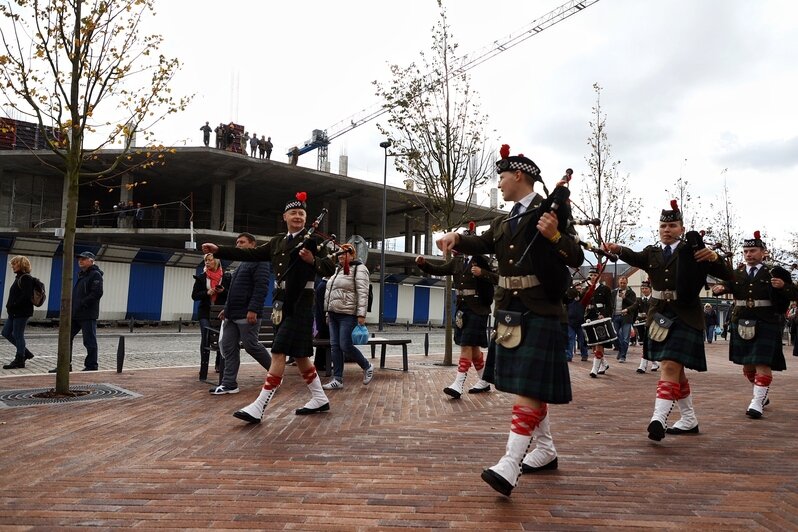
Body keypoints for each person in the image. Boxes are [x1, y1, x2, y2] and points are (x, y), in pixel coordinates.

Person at [436, 144, 583, 497]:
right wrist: (457, 239)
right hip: (509, 313)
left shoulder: (551, 211)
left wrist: (555, 236)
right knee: (529, 388)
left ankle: (510, 463)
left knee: (529, 388)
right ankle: (545, 450)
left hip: (540, 310)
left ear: (519, 175)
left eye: (502, 177)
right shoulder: (504, 220)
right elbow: (483, 241)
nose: (499, 183)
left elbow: (575, 255)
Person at [202, 192, 336, 422]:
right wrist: (219, 250)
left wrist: (311, 260)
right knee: (301, 356)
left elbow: (329, 268)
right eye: (293, 213)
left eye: (301, 213)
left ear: (306, 218)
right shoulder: (277, 242)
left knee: (278, 351)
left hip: (301, 302)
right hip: (280, 303)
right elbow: (251, 254)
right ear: (285, 216)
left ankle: (259, 405)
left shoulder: (314, 242)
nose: (297, 216)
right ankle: (319, 398)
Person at [604, 200, 731, 441]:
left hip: (685, 313)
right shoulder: (652, 252)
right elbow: (634, 256)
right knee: (676, 370)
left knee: (670, 366)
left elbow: (728, 275)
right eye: (663, 225)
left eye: (672, 225)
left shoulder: (694, 251)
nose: (667, 230)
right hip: (659, 315)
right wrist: (618, 248)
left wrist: (714, 257)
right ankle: (689, 418)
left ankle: (658, 419)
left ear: (681, 229)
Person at [711, 231, 796, 418]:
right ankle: (761, 393)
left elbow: (794, 294)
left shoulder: (774, 273)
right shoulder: (737, 273)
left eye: (753, 250)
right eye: (746, 251)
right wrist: (720, 288)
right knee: (748, 367)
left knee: (762, 363)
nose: (749, 254)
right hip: (741, 321)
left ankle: (756, 403)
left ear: (763, 252)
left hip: (766, 321)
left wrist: (783, 286)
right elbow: (726, 286)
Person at [416, 226, 496, 397]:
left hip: (478, 307)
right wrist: (423, 264)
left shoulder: (482, 260)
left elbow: (499, 277)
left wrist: (483, 273)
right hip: (462, 308)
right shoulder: (458, 261)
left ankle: (458, 384)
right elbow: (439, 270)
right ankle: (484, 381)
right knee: (473, 348)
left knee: (466, 345)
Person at [210, 233, 273, 394]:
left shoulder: (260, 261)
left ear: (252, 244)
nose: (238, 245)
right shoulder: (242, 264)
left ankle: (276, 374)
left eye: (242, 242)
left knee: (251, 346)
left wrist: (253, 309)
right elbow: (233, 290)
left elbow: (261, 287)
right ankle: (229, 384)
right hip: (233, 314)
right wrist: (227, 309)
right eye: (237, 242)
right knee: (229, 347)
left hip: (247, 314)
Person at [321, 243, 375, 389]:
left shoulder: (360, 268)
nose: (341, 256)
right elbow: (330, 292)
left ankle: (367, 366)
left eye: (345, 253)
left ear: (352, 254)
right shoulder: (337, 270)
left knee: (345, 345)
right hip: (333, 314)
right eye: (339, 254)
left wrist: (361, 314)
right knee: (335, 346)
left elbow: (363, 293)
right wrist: (327, 312)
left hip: (348, 314)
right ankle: (337, 379)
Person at [50, 251, 104, 372]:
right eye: (79, 259)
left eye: (83, 259)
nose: (80, 261)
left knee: (89, 340)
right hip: (75, 314)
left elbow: (97, 293)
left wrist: (83, 303)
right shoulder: (82, 275)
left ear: (91, 261)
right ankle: (64, 365)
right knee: (66, 338)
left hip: (87, 314)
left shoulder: (95, 275)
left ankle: (91, 366)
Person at [191, 253, 231, 381]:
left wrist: (223, 291)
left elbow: (231, 294)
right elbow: (194, 296)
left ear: (217, 261)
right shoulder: (202, 277)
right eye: (205, 261)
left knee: (220, 337)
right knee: (206, 336)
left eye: (210, 260)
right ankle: (203, 367)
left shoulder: (226, 277)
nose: (207, 263)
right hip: (205, 312)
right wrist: (206, 292)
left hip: (220, 312)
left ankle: (219, 364)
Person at [2, 256, 36, 369]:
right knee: (6, 332)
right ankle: (25, 352)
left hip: (21, 312)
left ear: (21, 264)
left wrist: (14, 305)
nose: (12, 266)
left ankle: (20, 359)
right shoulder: (19, 277)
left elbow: (26, 296)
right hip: (14, 313)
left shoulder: (26, 278)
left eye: (15, 263)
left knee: (18, 335)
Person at [581, 267, 613, 377]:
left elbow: (610, 305)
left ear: (599, 276)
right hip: (589, 317)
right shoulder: (586, 289)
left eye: (595, 275)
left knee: (600, 342)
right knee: (593, 344)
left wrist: (605, 315)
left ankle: (594, 369)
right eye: (591, 275)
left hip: (600, 317)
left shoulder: (605, 289)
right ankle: (604, 364)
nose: (593, 277)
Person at [635, 280, 659, 373]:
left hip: (652, 324)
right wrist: (627, 310)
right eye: (643, 288)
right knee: (647, 344)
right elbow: (634, 307)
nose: (644, 290)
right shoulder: (640, 300)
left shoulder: (654, 299)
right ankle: (654, 363)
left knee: (648, 344)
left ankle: (642, 366)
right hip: (642, 324)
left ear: (650, 289)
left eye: (646, 288)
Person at [611, 275, 637, 362]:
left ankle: (623, 356)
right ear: (618, 282)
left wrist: (624, 298)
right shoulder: (614, 292)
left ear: (627, 283)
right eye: (621, 283)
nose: (622, 284)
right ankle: (620, 349)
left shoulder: (631, 293)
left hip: (626, 317)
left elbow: (634, 304)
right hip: (615, 316)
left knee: (626, 338)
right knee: (615, 336)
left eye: (624, 283)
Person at [565, 283, 589, 362]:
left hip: (581, 322)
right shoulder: (569, 299)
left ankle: (584, 354)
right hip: (570, 322)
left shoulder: (582, 298)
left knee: (582, 340)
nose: (579, 290)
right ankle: (568, 355)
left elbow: (587, 292)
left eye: (580, 288)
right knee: (570, 338)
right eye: (577, 289)